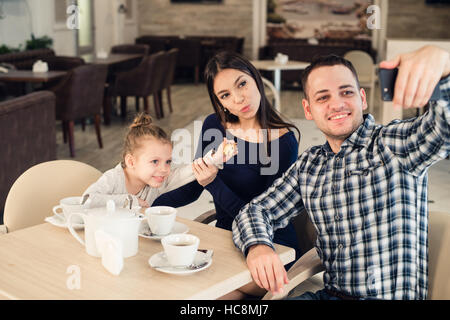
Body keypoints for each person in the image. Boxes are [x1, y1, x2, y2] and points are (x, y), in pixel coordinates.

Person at [232, 45, 450, 300]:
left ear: (362, 98)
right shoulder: (310, 166)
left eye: (346, 92)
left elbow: (443, 128)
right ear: (308, 109)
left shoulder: (393, 144)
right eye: (323, 97)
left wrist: (443, 64)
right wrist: (258, 246)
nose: (336, 104)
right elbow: (256, 210)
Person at [152, 51, 302, 298]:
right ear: (220, 102)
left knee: (198, 289)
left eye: (242, 83)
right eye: (225, 95)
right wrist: (152, 204)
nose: (239, 98)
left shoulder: (282, 142)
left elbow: (263, 217)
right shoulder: (215, 126)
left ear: (255, 78)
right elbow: (193, 186)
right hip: (224, 240)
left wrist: (214, 183)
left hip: (269, 248)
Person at [83, 113, 235, 208]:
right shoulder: (114, 178)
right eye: (155, 161)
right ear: (131, 162)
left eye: (168, 161)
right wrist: (131, 201)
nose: (164, 169)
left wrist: (216, 158)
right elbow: (87, 200)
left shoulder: (156, 182)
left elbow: (189, 172)